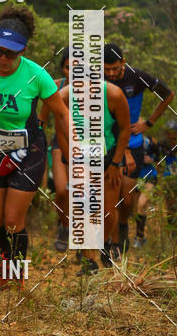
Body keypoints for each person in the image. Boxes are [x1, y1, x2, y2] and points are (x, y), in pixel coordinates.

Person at [0, 6, 69, 288]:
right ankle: (8, 253)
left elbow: (61, 114)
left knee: (13, 220)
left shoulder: (37, 76)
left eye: (10, 53)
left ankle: (16, 271)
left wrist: (73, 147)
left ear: (23, 50)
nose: (2, 59)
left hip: (28, 153)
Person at [103, 44, 174, 253]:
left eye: (115, 69)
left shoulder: (137, 77)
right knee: (112, 198)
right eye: (106, 70)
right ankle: (113, 245)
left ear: (123, 63)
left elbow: (168, 95)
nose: (111, 74)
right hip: (109, 145)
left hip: (134, 144)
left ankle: (124, 227)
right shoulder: (99, 80)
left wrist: (149, 123)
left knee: (126, 200)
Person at [59, 79, 131, 273]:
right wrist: (74, 164)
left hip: (108, 157)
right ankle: (88, 259)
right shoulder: (64, 96)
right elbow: (60, 133)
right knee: (83, 208)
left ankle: (105, 241)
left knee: (107, 212)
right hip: (79, 159)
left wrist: (116, 163)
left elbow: (125, 129)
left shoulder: (114, 94)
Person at [39, 47, 70, 252]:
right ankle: (64, 226)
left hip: (88, 145)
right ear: (63, 68)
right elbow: (43, 119)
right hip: (59, 143)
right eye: (68, 67)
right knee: (62, 190)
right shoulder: (56, 86)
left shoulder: (96, 88)